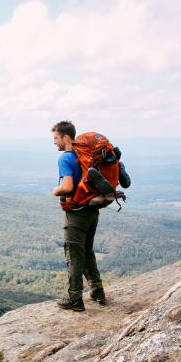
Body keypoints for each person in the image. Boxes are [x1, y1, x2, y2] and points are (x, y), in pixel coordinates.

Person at [51, 121, 106, 311]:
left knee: (74, 256)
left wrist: (56, 191)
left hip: (76, 214)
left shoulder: (65, 158)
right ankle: (98, 292)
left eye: (56, 138)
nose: (54, 143)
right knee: (88, 252)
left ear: (66, 137)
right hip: (92, 210)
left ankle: (75, 299)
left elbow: (67, 187)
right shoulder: (85, 154)